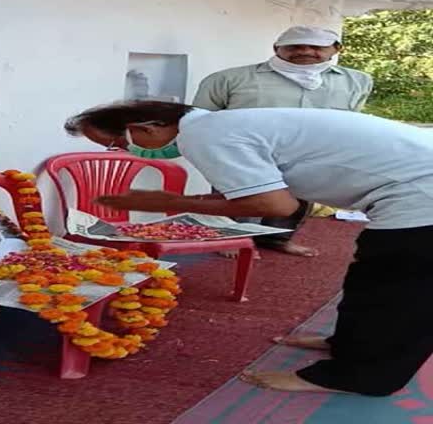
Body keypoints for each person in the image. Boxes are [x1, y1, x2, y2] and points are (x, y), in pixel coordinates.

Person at [64, 99, 433, 397]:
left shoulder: (207, 137)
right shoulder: (218, 126)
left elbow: (277, 207)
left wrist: (174, 202)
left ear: (145, 127)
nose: (120, 151)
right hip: (410, 189)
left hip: (420, 194)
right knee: (371, 276)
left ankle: (358, 377)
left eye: (116, 143)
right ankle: (345, 344)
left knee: (399, 291)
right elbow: (266, 194)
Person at [192, 26, 374, 257]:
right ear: (277, 49)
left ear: (336, 49)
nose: (305, 51)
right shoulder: (228, 79)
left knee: (296, 200)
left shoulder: (358, 81)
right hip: (243, 153)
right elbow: (199, 119)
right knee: (242, 197)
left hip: (310, 154)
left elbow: (349, 118)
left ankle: (277, 239)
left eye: (316, 47)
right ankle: (232, 240)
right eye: (294, 46)